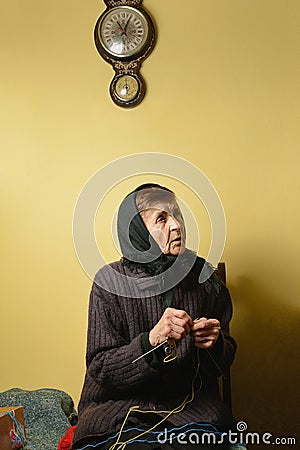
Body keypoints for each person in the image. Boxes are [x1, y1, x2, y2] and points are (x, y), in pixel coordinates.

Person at [72, 184, 246, 450]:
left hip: (189, 409)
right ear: (137, 232)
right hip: (119, 411)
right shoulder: (109, 282)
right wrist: (151, 341)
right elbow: (101, 366)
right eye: (162, 219)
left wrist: (216, 343)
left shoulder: (205, 280)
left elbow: (224, 360)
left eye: (177, 214)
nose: (177, 226)